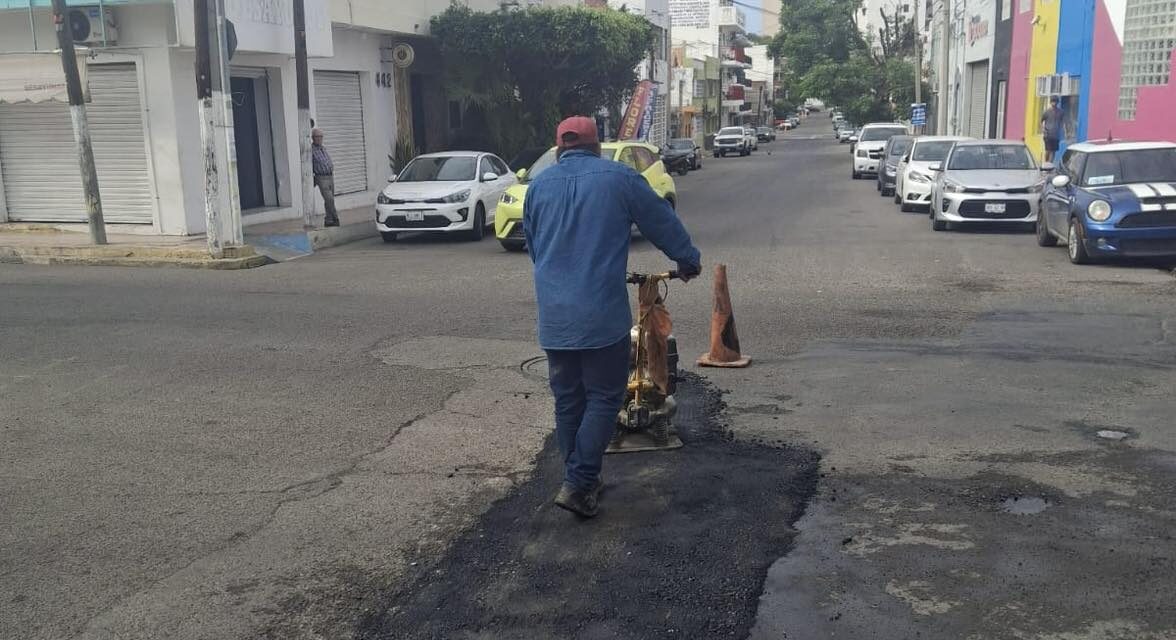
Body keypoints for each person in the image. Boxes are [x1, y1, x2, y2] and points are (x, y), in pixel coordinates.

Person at [523, 116, 702, 518]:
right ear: (597, 146)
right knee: (604, 397)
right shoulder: (619, 178)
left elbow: (534, 249)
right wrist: (687, 260)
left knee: (569, 401)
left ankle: (580, 479)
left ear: (559, 149)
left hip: (554, 319)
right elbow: (661, 221)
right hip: (601, 316)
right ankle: (579, 481)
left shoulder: (538, 188)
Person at [311, 128, 340, 227]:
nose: (320, 139)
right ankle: (336, 218)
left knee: (330, 200)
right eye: (318, 137)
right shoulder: (311, 150)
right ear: (313, 138)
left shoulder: (323, 148)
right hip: (321, 177)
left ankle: (328, 220)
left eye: (321, 137)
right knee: (329, 199)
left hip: (330, 176)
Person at [1041, 97, 1064, 164]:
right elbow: (1041, 121)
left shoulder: (1061, 112)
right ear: (1050, 102)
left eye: (1055, 101)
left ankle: (1050, 165)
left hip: (1056, 135)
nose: (1054, 103)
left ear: (1058, 102)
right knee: (1048, 150)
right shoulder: (1047, 112)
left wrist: (1063, 131)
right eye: (1053, 101)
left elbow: (1063, 122)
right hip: (1047, 134)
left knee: (1053, 151)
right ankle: (1046, 163)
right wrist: (1043, 129)